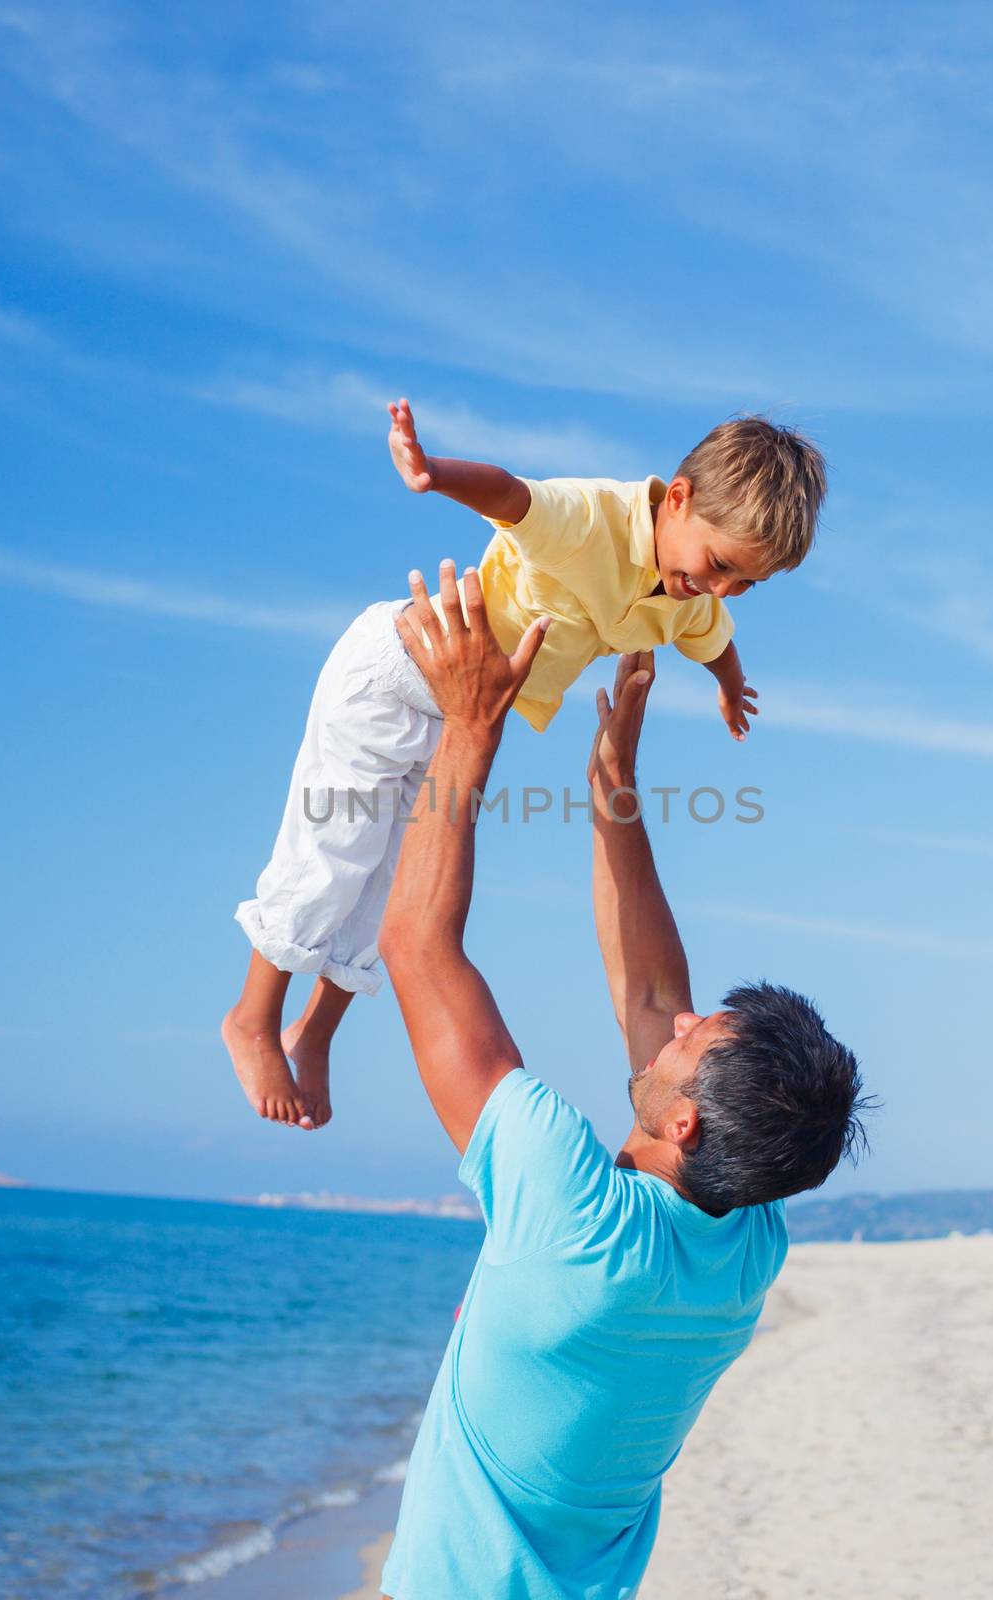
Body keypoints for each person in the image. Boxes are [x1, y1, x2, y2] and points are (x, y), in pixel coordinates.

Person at [375, 561, 868, 1599]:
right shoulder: (740, 1245)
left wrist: (471, 729)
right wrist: (613, 775)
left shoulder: (580, 1219)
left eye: (689, 1040)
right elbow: (649, 984)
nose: (677, 1020)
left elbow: (416, 948)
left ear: (684, 1121)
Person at [223, 398, 828, 1132]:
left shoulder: (687, 598)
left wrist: (730, 687)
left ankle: (313, 1033)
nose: (724, 590)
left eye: (748, 584)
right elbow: (512, 496)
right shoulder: (593, 521)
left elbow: (713, 638)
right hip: (392, 680)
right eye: (722, 565)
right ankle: (254, 1019)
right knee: (332, 856)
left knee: (389, 886)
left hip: (457, 722)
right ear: (678, 499)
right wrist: (431, 472)